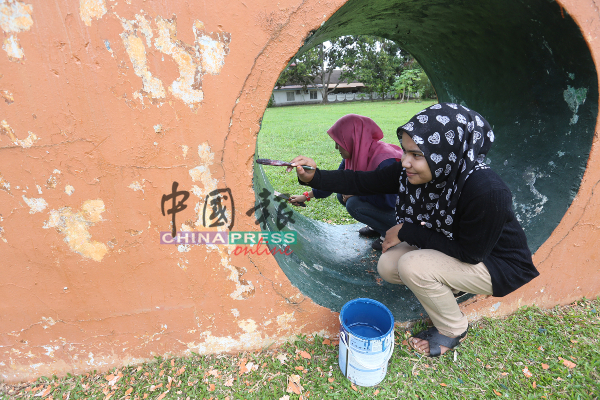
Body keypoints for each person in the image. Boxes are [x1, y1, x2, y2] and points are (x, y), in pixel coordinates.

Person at [287, 103, 539, 357]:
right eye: (406, 151)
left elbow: (471, 253)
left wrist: (406, 230)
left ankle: (454, 328)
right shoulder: (419, 172)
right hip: (453, 246)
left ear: (446, 153)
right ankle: (453, 285)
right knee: (388, 265)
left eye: (417, 155)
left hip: (496, 264)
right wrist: (314, 177)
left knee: (412, 265)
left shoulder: (486, 190)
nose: (405, 161)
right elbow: (362, 181)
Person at [289, 114, 403, 250]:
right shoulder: (355, 154)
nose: (336, 147)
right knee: (342, 194)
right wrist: (306, 195)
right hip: (387, 206)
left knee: (354, 203)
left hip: (403, 216)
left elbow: (392, 202)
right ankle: (378, 226)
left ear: (352, 140)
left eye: (339, 142)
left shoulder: (385, 160)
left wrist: (359, 195)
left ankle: (389, 233)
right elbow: (337, 182)